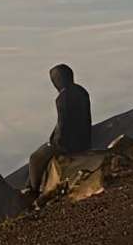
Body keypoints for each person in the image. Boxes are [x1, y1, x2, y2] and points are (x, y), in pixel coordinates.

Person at [25, 64, 93, 196]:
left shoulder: (63, 98)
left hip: (69, 145)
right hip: (85, 140)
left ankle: (33, 191)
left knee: (35, 158)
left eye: (54, 80)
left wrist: (55, 142)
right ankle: (30, 186)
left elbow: (63, 124)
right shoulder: (81, 91)